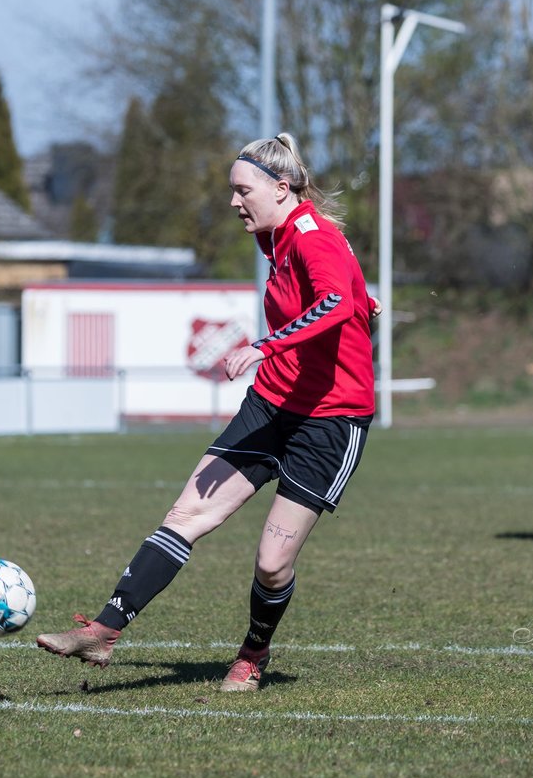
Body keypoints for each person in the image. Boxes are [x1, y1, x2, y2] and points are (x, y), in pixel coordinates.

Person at [36, 133, 376, 691]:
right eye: (231, 191)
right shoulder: (278, 237)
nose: (234, 202)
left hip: (329, 420)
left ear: (281, 188)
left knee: (271, 564)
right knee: (186, 515)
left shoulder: (312, 237)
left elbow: (335, 301)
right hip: (271, 405)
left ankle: (253, 653)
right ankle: (105, 629)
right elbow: (347, 295)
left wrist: (265, 345)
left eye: (243, 190)